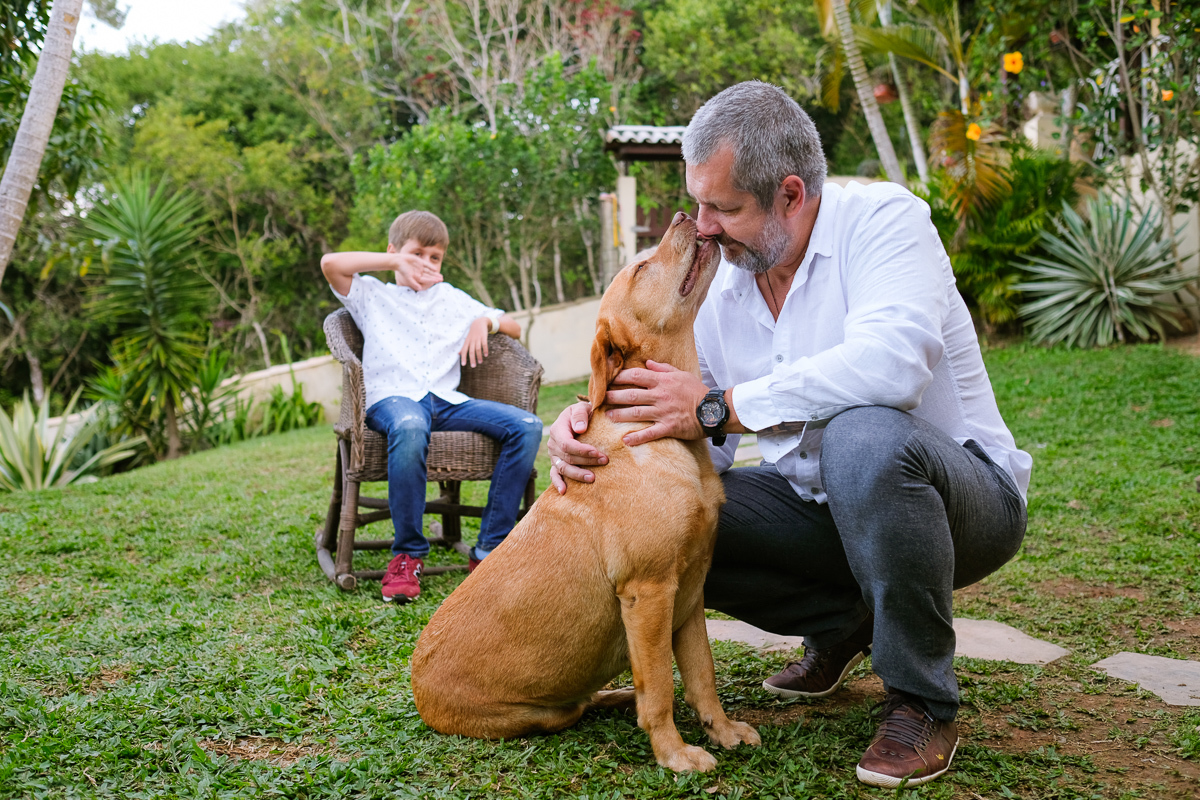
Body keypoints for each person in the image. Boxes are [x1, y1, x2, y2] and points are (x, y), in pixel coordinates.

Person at [547, 82, 1031, 788]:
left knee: (863, 438)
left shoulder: (884, 222)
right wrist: (590, 426)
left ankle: (922, 701)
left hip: (963, 501)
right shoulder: (724, 281)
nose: (703, 226)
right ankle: (848, 623)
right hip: (823, 510)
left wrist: (721, 405)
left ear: (792, 195)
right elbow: (696, 435)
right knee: (669, 518)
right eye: (698, 202)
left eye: (725, 208)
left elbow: (891, 368)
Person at [322, 210, 543, 604]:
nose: (426, 264)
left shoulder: (452, 298)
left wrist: (483, 323)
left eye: (434, 257)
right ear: (394, 252)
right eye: (416, 254)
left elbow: (512, 325)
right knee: (409, 425)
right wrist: (393, 264)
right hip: (394, 400)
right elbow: (330, 264)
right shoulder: (373, 294)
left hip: (446, 401)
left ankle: (489, 549)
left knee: (526, 425)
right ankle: (407, 555)